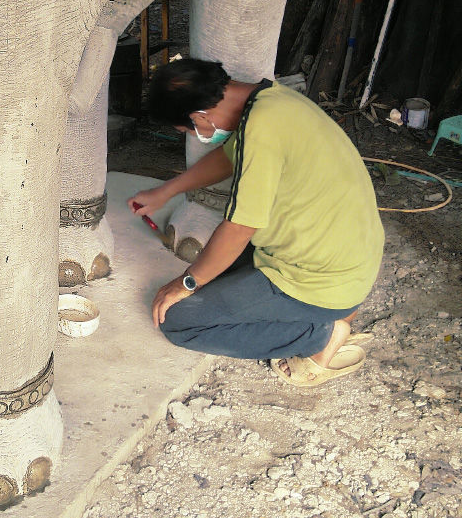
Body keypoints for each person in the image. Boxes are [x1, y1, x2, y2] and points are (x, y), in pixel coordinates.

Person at [129, 58, 384, 387]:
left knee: (179, 320)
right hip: (343, 259)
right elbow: (227, 157)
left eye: (188, 130)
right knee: (211, 268)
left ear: (198, 118)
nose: (196, 135)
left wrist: (186, 283)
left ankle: (319, 333)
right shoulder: (272, 101)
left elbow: (238, 228)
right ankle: (324, 315)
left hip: (317, 279)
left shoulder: (261, 128)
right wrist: (165, 191)